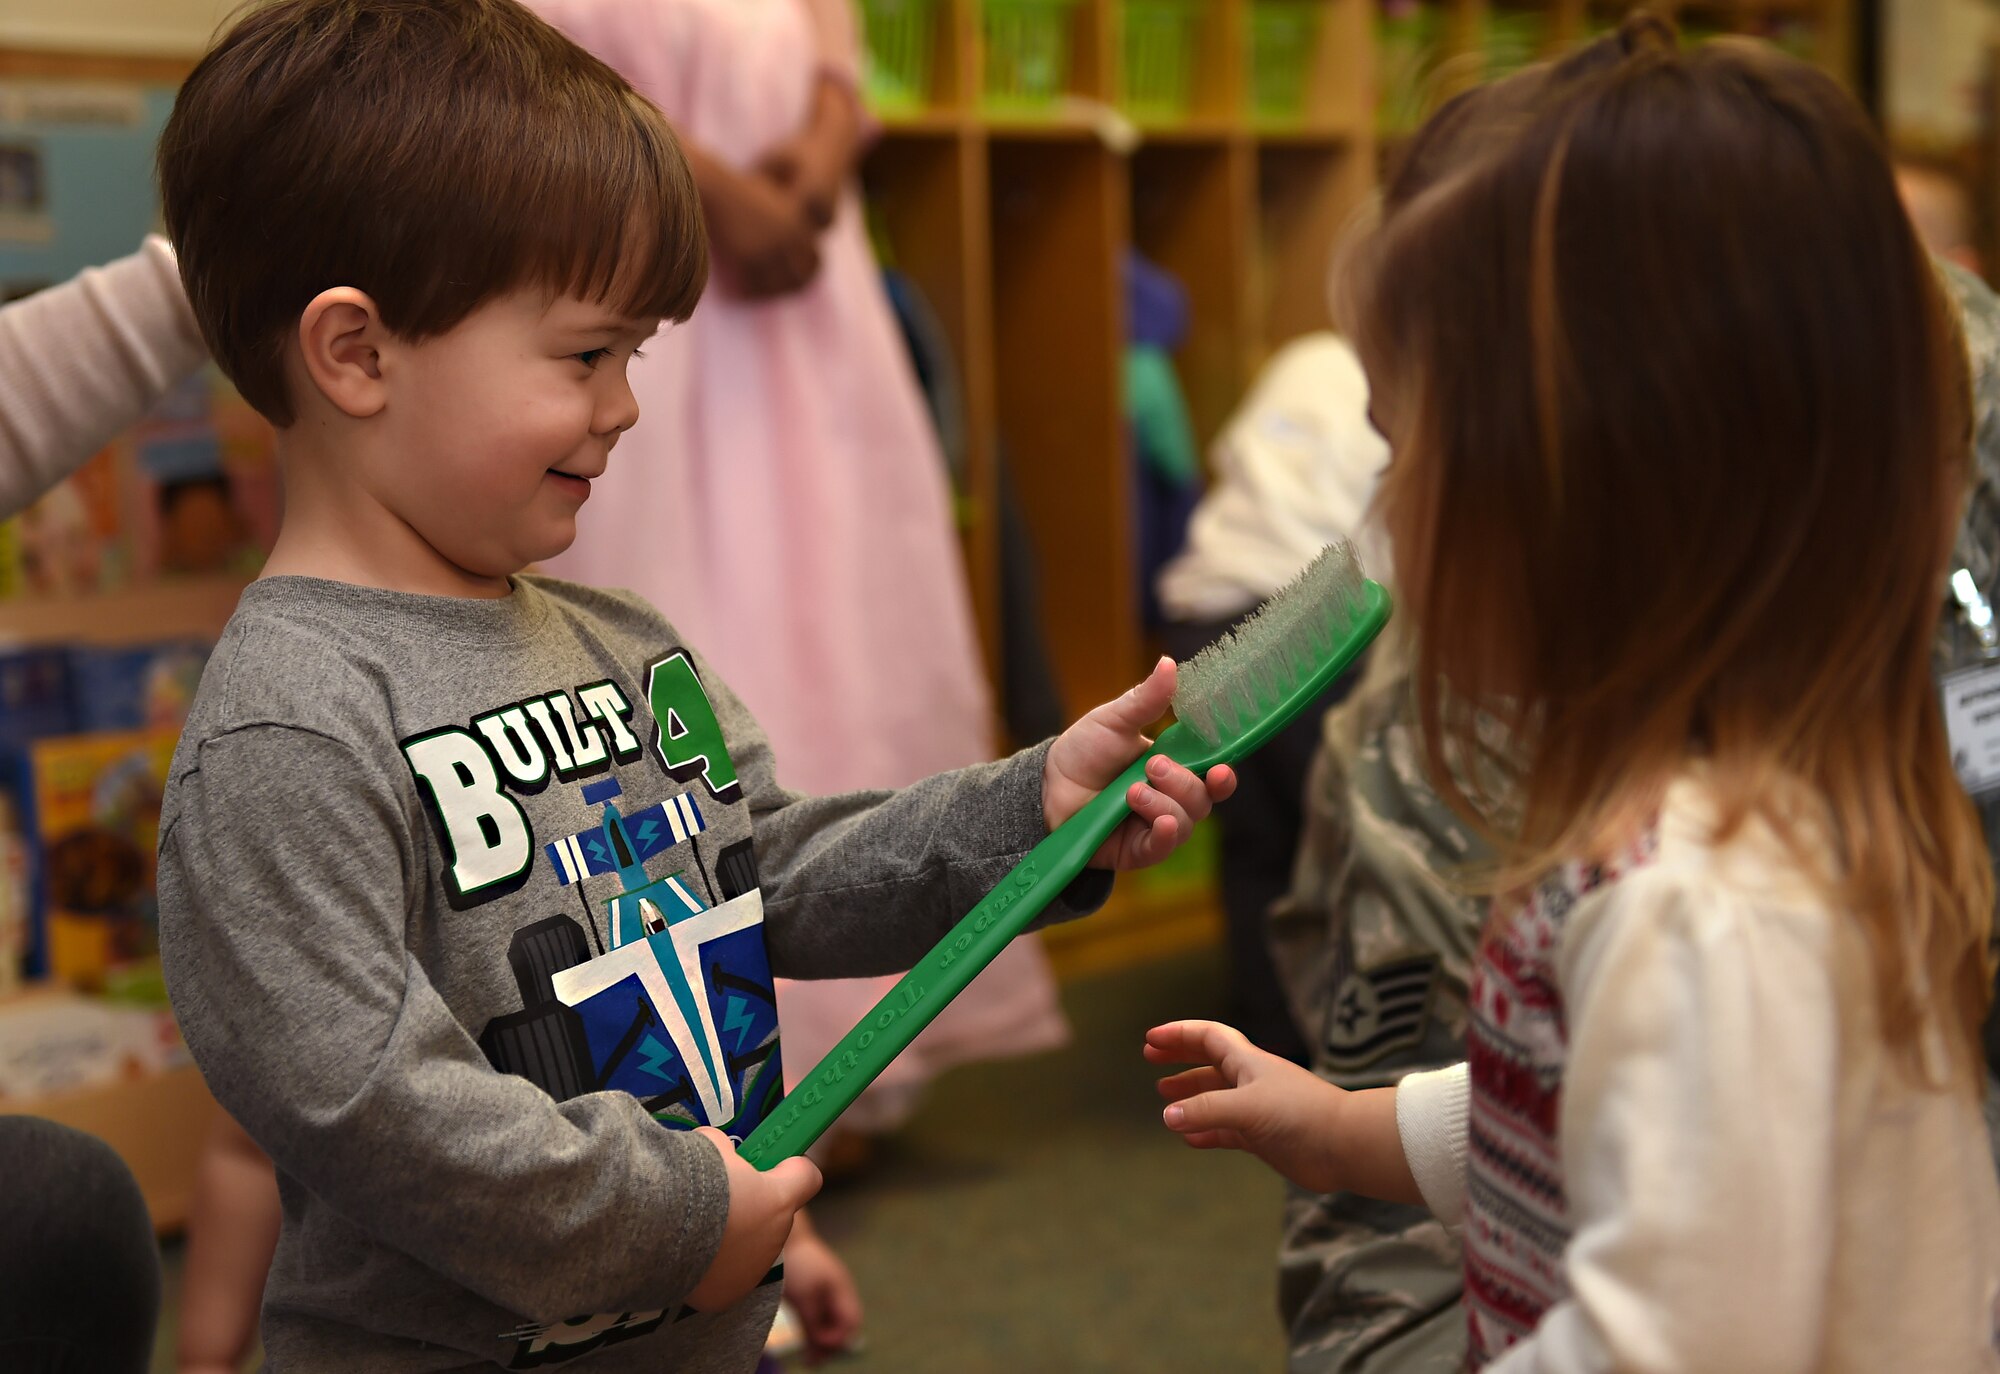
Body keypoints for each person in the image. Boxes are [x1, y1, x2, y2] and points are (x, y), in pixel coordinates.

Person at [151, 5, 1233, 1373]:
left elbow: (769, 875)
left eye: (636, 358)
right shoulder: (287, 727)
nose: (625, 408)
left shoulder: (626, 642)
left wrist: (1030, 810)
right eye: (584, 356)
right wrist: (674, 1212)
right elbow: (370, 1103)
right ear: (356, 354)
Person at [1150, 20, 2000, 1371]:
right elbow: (1585, 1096)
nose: (1375, 527)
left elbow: (1668, 1341)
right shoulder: (1744, 837)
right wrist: (1351, 1127)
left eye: (1401, 450)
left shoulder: (1705, 912)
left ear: (1579, 502)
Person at [527, 0, 1071, 1160]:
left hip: (804, 290)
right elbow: (517, 76)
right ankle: (700, 1068)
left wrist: (823, 149)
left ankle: (850, 1048)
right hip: (639, 266)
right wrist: (704, 189)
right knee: (679, 629)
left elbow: (833, 51)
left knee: (843, 624)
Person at [1156, 332, 1388, 1061]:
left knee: (1253, 843)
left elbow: (1227, 460)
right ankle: (1352, 1048)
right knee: (1346, 847)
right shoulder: (1390, 383)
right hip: (1310, 623)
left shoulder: (1304, 356)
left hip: (1203, 612)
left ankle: (1264, 1042)